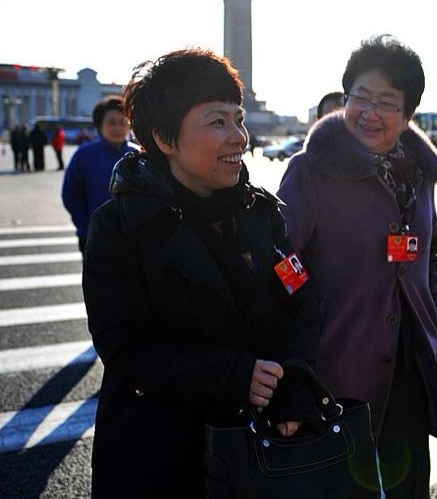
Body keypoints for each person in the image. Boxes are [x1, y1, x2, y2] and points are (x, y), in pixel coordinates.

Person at [82, 48, 321, 498]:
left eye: (239, 118)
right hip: (158, 456)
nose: (239, 137)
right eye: (217, 122)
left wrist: (294, 382)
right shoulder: (120, 227)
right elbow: (125, 348)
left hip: (260, 451)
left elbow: (303, 301)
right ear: (164, 138)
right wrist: (231, 375)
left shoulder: (261, 214)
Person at [278, 34, 437, 498]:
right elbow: (280, 261)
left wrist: (434, 327)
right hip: (335, 370)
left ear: (408, 113)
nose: (370, 113)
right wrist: (308, 304)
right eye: (360, 97)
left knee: (410, 487)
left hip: (410, 369)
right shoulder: (310, 170)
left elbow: (427, 257)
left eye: (387, 102)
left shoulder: (419, 177)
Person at [61, 97, 139, 253]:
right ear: (100, 124)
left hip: (134, 239)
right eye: (111, 122)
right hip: (94, 237)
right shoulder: (84, 155)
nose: (117, 127)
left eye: (122, 122)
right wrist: (88, 225)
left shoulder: (138, 155)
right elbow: (70, 194)